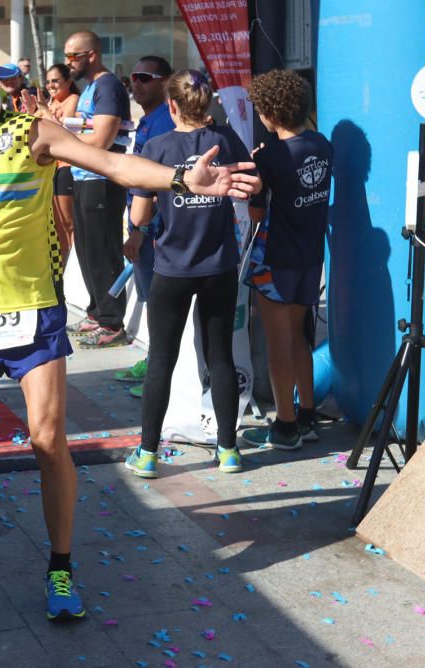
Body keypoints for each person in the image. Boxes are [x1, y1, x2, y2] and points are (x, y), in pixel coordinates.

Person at [0, 37, 258, 622]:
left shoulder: (33, 132)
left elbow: (111, 162)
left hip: (35, 312)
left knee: (47, 440)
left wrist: (181, 180)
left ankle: (60, 568)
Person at [123, 70, 259, 479]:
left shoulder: (157, 145)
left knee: (161, 357)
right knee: (219, 356)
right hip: (219, 265)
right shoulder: (227, 139)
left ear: (172, 106)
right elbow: (254, 184)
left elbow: (140, 212)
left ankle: (147, 454)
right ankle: (229, 450)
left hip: (172, 268)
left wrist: (138, 231)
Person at [241, 69, 332, 450]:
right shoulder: (322, 144)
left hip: (276, 257)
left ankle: (285, 426)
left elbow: (257, 214)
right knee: (298, 337)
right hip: (310, 255)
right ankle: (307, 413)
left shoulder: (271, 156)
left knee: (279, 343)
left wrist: (256, 167)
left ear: (270, 114)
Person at [63, 30, 133, 349]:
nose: (68, 63)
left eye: (73, 56)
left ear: (92, 55)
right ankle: (96, 311)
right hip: (83, 175)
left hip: (102, 180)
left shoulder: (107, 85)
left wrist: (64, 140)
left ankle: (112, 323)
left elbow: (102, 140)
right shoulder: (90, 87)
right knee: (87, 250)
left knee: (104, 251)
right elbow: (84, 131)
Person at [116, 56, 176, 396]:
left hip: (155, 227)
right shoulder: (151, 119)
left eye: (144, 77)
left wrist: (140, 230)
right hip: (142, 222)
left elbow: (157, 182)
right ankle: (156, 360)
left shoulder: (166, 122)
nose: (135, 84)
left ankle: (160, 369)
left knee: (159, 301)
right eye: (132, 77)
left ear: (165, 82)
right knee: (151, 298)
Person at [21, 63, 80, 266]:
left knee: (68, 222)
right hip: (48, 169)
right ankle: (63, 270)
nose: (51, 85)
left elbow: (63, 133)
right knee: (56, 224)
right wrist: (32, 111)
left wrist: (44, 110)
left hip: (65, 167)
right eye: (48, 81)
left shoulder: (72, 100)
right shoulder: (49, 103)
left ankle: (75, 269)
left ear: (68, 82)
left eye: (56, 80)